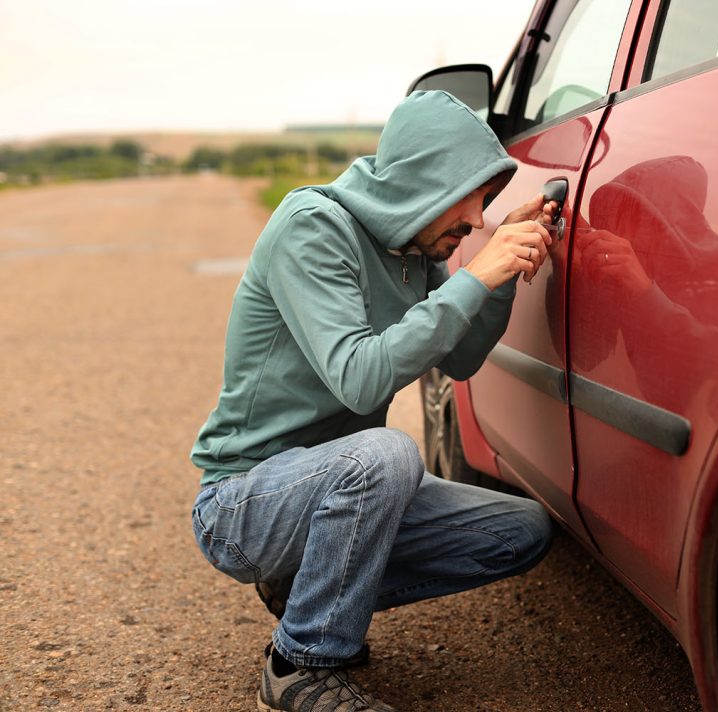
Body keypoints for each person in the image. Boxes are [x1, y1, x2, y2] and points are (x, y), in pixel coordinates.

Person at [189, 90, 556, 712]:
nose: (477, 218)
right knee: (387, 453)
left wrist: (496, 280)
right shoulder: (312, 226)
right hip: (245, 500)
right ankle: (300, 665)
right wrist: (473, 275)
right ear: (427, 182)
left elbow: (460, 360)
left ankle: (309, 591)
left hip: (341, 489)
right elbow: (359, 379)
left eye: (489, 201)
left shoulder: (415, 249)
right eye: (471, 195)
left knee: (519, 531)